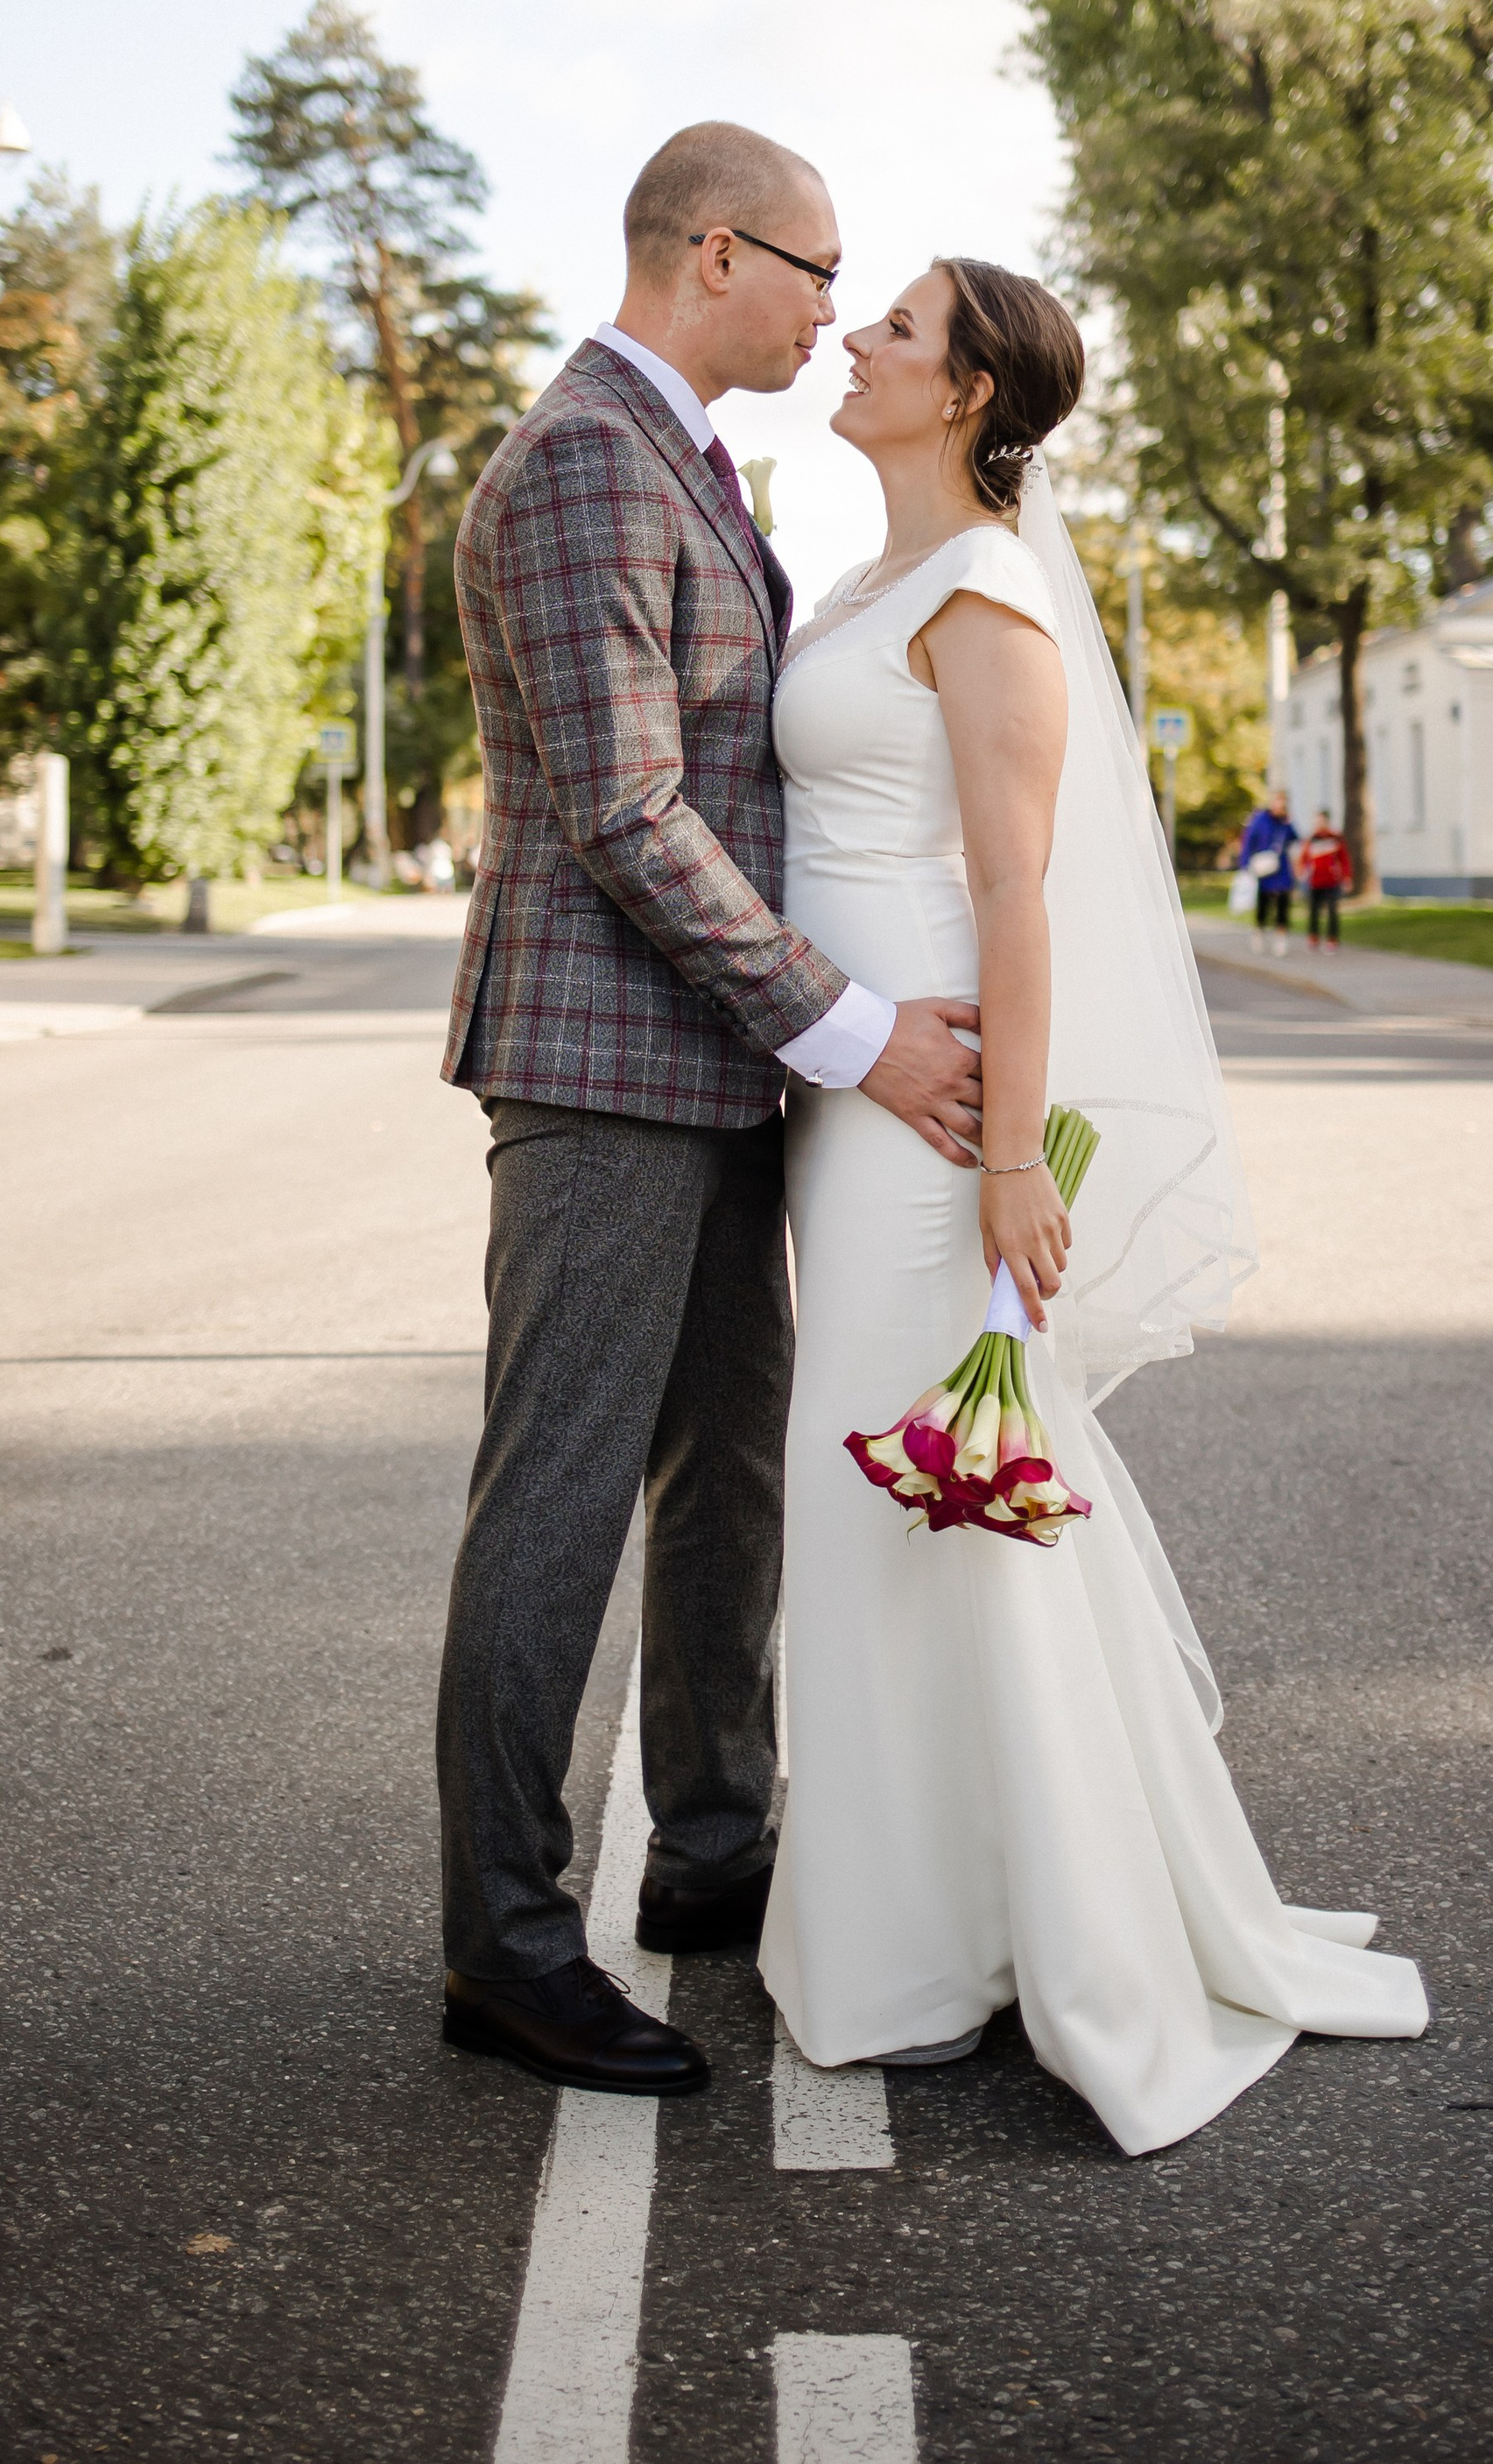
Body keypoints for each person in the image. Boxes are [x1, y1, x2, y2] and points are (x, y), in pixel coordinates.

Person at [761, 258, 1426, 2155]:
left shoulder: (984, 601)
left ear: (969, 392)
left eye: (893, 327)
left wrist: (1002, 1161)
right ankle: (929, 1915)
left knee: (927, 1496)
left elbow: (1018, 896)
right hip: (848, 1088)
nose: (857, 340)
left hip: (932, 1116)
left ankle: (1006, 1938)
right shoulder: (872, 582)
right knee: (882, 1500)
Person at [434, 123, 985, 2100]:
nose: (839, 310)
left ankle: (713, 1847)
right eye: (822, 272)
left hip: (714, 1070)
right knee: (559, 1497)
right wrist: (848, 1029)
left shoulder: (680, 454)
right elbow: (626, 812)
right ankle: (503, 1946)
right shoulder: (586, 452)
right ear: (721, 252)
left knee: (723, 1477)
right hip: (597, 1073)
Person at [1236, 786, 1299, 957]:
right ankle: (1259, 932)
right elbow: (1249, 842)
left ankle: (1281, 938)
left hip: (1281, 867)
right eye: (1278, 800)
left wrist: (1289, 823)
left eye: (1283, 802)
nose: (1280, 805)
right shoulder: (1260, 819)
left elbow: (1294, 838)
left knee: (1283, 904)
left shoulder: (1285, 822)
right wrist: (1244, 865)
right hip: (1264, 869)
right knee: (1263, 903)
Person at [1299, 809, 1352, 943]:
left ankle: (1332, 938)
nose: (1319, 824)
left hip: (1331, 880)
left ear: (1327, 821)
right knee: (1314, 911)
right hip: (1315, 881)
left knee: (1332, 910)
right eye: (1317, 821)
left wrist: (1347, 877)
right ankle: (1313, 936)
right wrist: (1302, 872)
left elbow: (1344, 859)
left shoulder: (1335, 838)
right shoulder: (1311, 839)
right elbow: (1304, 859)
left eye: (1322, 821)